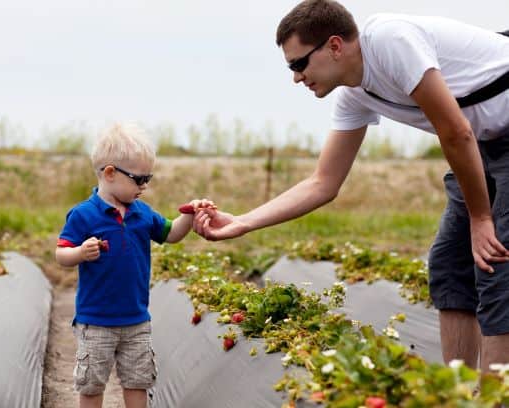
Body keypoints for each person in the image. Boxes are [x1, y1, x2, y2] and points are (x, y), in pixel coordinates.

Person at [194, 0, 509, 374]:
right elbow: (322, 182)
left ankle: (493, 399)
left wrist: (480, 217)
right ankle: (457, 390)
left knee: (495, 268)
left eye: (298, 64)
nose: (296, 77)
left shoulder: (390, 40)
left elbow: (456, 131)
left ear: (334, 45)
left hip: (484, 135)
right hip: (486, 141)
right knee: (449, 267)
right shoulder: (354, 95)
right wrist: (244, 221)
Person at [56, 122, 214, 408]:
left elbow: (171, 234)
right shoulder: (83, 215)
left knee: (138, 381)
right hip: (96, 321)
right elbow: (61, 255)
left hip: (136, 320)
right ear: (110, 173)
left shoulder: (142, 213)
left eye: (148, 179)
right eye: (139, 179)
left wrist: (191, 214)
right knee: (91, 384)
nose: (144, 186)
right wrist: (80, 252)